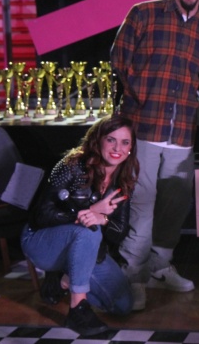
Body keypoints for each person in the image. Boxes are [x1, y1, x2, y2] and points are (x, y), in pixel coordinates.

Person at [111, 0, 199, 310]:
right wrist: (141, 99)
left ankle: (159, 267)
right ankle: (133, 277)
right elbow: (119, 60)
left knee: (175, 204)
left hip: (181, 133)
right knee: (142, 206)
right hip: (144, 127)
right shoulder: (143, 14)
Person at [21, 115, 139, 336]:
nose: (118, 148)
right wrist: (88, 213)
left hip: (86, 250)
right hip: (41, 240)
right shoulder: (71, 165)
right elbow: (40, 215)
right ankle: (78, 309)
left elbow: (119, 232)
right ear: (98, 140)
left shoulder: (123, 177)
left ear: (131, 147)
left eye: (125, 142)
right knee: (88, 232)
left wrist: (103, 219)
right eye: (111, 140)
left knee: (123, 305)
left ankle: (62, 281)